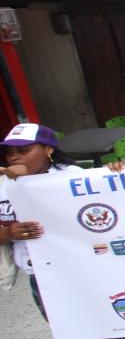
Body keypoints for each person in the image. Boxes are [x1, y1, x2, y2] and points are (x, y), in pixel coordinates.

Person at [1, 123, 82, 319]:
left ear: (48, 149)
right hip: (38, 274)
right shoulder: (3, 184)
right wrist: (11, 232)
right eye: (9, 152)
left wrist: (27, 184)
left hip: (79, 268)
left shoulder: (72, 175)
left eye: (23, 150)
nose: (14, 157)